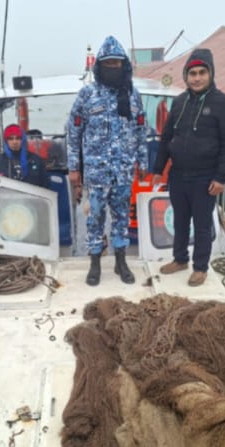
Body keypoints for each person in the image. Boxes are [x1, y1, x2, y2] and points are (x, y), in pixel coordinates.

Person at [152, 48, 225, 287]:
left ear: (210, 74)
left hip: (205, 177)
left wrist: (221, 177)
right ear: (186, 76)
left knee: (201, 224)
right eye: (192, 73)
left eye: (202, 72)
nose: (197, 78)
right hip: (178, 175)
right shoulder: (179, 102)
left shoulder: (224, 104)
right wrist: (158, 169)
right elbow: (167, 136)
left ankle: (200, 267)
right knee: (180, 220)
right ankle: (180, 259)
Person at [65, 36, 148, 287]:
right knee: (95, 218)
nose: (113, 67)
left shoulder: (133, 95)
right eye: (108, 63)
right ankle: (95, 262)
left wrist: (143, 163)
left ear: (124, 66)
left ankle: (121, 261)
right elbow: (73, 132)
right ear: (99, 66)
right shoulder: (87, 94)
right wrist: (73, 167)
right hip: (97, 173)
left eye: (117, 63)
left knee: (122, 217)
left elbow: (141, 130)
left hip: (123, 171)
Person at [0, 124, 50, 189]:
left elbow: (45, 186)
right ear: (6, 141)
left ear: (23, 140)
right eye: (11, 139)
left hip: (32, 198)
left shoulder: (36, 160)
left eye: (18, 138)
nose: (14, 142)